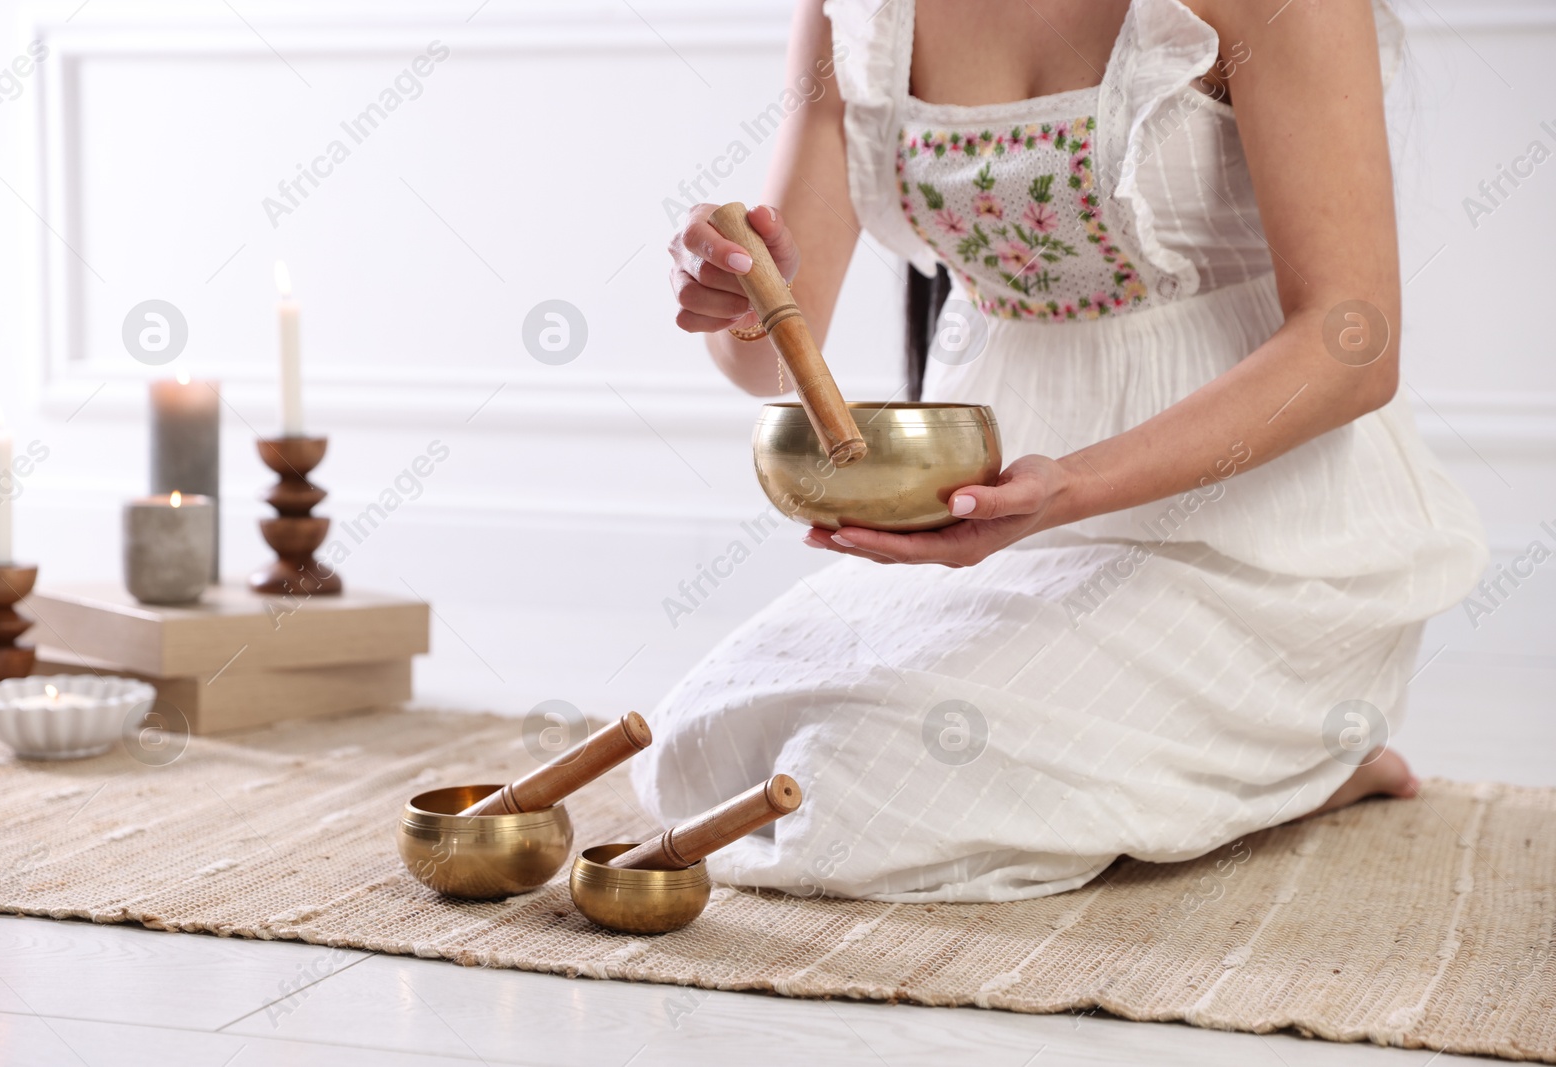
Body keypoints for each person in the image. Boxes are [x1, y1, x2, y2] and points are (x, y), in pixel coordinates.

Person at [633, 0, 1487, 902]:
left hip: (1259, 540)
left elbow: (1354, 347)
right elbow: (768, 362)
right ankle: (1230, 769)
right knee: (698, 751)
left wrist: (1073, 486)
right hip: (1008, 532)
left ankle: (1298, 757)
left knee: (855, 786)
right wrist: (736, 296)